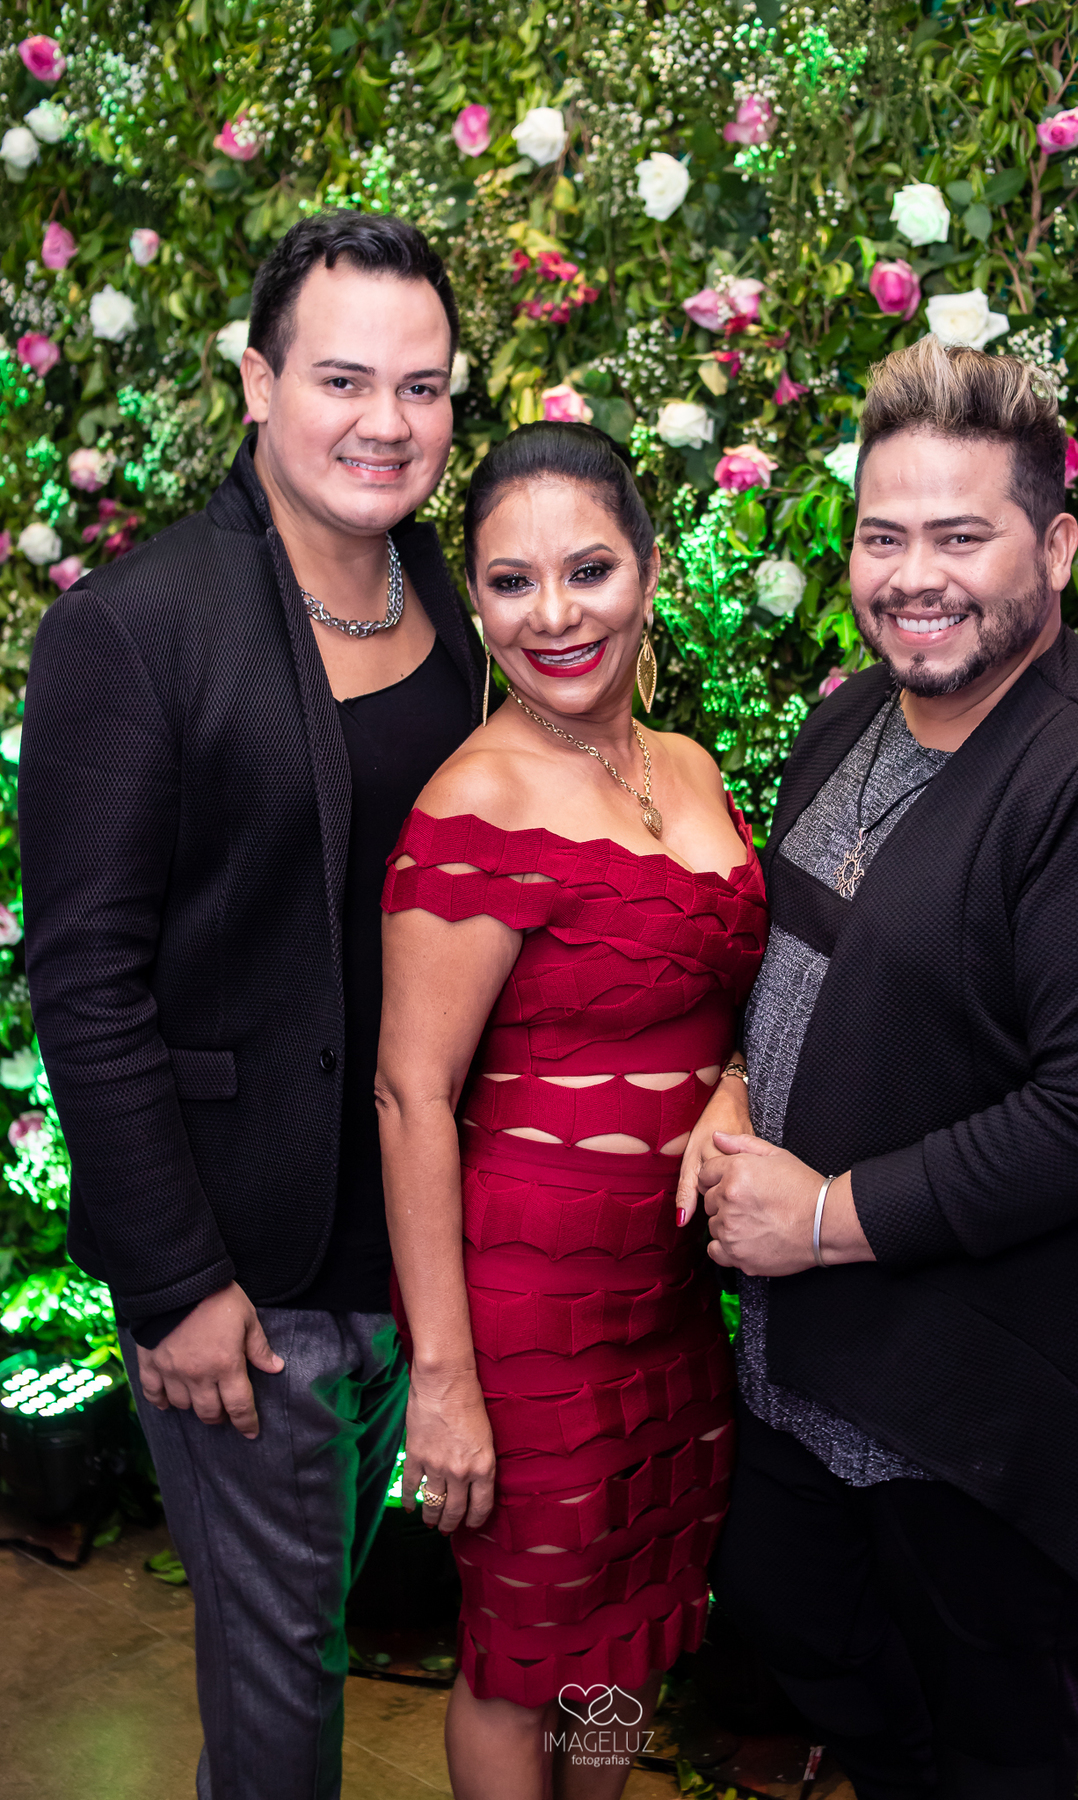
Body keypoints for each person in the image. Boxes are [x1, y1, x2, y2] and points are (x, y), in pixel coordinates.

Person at [677, 337, 1078, 1799]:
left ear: (1056, 548)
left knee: (989, 1746)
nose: (916, 576)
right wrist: (735, 1083)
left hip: (969, 1410)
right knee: (805, 1635)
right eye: (884, 536)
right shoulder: (849, 716)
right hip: (800, 1366)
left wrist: (824, 1217)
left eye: (962, 537)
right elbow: (797, 951)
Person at [19, 210, 487, 1798]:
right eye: (343, 379)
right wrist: (174, 1284)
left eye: (421, 386)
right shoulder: (132, 630)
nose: (386, 422)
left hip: (413, 1247)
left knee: (315, 1630)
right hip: (246, 1282)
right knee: (283, 1705)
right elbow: (82, 979)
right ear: (258, 383)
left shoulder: (448, 600)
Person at [373, 421, 768, 1799]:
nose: (554, 615)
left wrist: (735, 1080)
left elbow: (738, 1001)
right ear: (477, 605)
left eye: (588, 570)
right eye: (511, 582)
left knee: (628, 1631)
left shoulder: (689, 767)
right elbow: (411, 1094)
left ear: (649, 572)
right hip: (529, 1324)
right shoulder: (473, 802)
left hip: (672, 1305)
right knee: (519, 1658)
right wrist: (444, 1379)